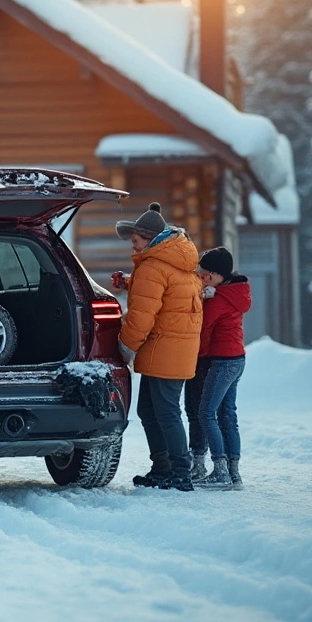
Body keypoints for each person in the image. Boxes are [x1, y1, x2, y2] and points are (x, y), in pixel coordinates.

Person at [112, 203, 204, 491]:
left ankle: (180, 472)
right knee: (149, 411)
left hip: (165, 347)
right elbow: (165, 295)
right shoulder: (174, 261)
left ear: (149, 237)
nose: (132, 243)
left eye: (136, 238)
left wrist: (125, 347)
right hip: (170, 347)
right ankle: (162, 468)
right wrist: (130, 283)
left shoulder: (154, 266)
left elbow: (141, 315)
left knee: (165, 412)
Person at [193, 247, 251, 490]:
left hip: (222, 360)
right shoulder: (235, 291)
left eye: (206, 274)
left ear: (217, 275)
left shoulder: (218, 300)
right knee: (228, 415)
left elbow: (204, 331)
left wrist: (198, 355)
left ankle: (220, 471)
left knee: (206, 413)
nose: (202, 278)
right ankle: (233, 473)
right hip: (237, 359)